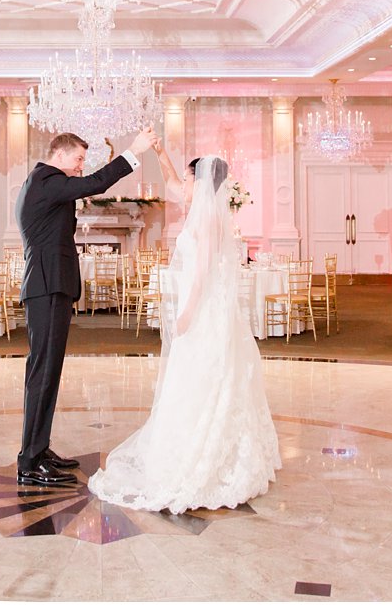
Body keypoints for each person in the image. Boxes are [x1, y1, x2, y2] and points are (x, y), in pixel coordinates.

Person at [87, 148, 281, 513]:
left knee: (203, 378)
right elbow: (173, 183)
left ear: (202, 183)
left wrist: (188, 312)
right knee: (208, 379)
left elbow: (204, 268)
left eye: (190, 179)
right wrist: (160, 154)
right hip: (214, 309)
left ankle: (208, 461)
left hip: (206, 309)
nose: (184, 185)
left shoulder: (206, 219)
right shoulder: (203, 209)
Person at [15, 127, 156, 487]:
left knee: (48, 373)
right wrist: (135, 150)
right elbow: (95, 182)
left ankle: (38, 448)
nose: (80, 168)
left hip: (51, 286)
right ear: (59, 155)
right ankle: (29, 460)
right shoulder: (45, 180)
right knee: (42, 374)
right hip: (46, 287)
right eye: (77, 159)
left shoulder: (45, 183)